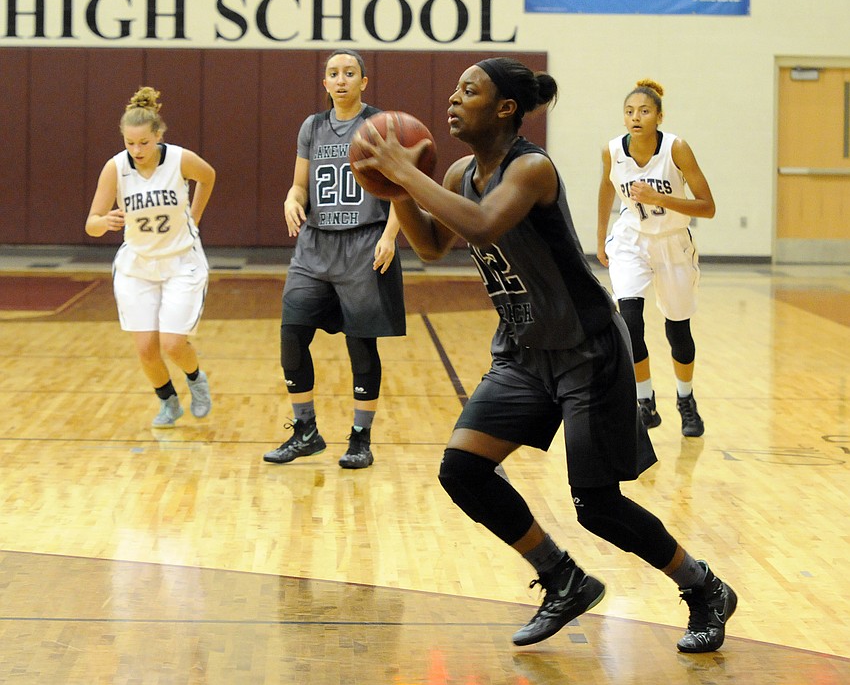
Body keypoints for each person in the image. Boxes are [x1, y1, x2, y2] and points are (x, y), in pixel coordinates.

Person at [351, 57, 736, 652]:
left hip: (587, 350)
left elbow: (480, 227)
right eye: (454, 90)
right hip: (524, 351)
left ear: (506, 108)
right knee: (463, 470)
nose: (453, 100)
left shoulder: (530, 168)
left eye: (469, 91)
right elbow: (429, 246)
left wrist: (405, 171)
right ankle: (563, 578)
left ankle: (703, 587)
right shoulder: (457, 172)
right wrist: (398, 190)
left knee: (597, 504)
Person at [262, 49, 406, 470]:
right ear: (324, 83)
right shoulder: (313, 126)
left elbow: (402, 188)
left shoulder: (380, 126)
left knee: (360, 345)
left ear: (364, 81)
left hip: (364, 245)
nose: (340, 79)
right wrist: (291, 199)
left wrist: (390, 235)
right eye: (332, 74)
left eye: (349, 73)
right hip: (314, 247)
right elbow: (299, 185)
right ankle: (305, 431)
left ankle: (360, 439)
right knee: (292, 337)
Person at [85, 86, 216, 428]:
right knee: (146, 348)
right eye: (130, 143)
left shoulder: (179, 159)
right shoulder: (115, 168)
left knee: (172, 343)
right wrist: (104, 221)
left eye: (144, 142)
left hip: (181, 262)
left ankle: (195, 379)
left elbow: (209, 176)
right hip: (137, 266)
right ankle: (168, 402)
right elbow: (91, 225)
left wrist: (194, 216)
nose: (137, 149)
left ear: (158, 135)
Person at [597, 79, 716, 437]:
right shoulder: (613, 151)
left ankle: (685, 399)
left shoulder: (676, 149)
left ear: (659, 116)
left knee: (678, 329)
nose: (636, 117)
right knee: (630, 321)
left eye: (644, 111)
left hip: (673, 242)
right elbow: (606, 187)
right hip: (631, 241)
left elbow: (707, 207)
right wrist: (601, 236)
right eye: (630, 111)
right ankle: (645, 401)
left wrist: (661, 198)